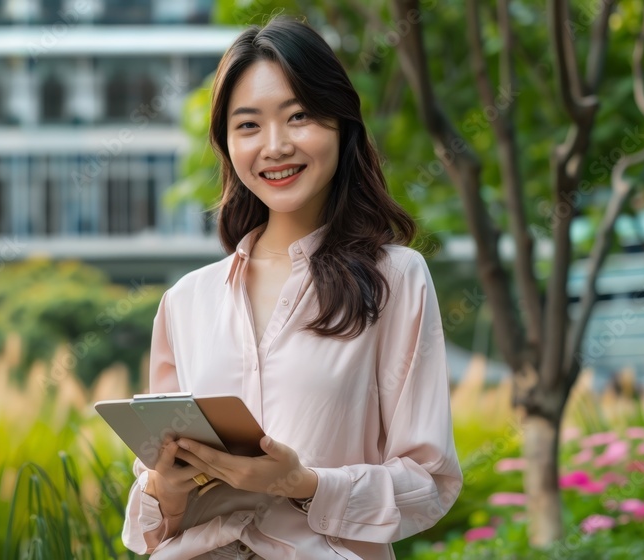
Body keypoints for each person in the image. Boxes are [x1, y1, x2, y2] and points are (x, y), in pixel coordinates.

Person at [121, 16, 462, 560]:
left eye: (299, 116)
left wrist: (302, 483)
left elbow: (429, 483)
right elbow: (152, 528)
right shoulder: (186, 301)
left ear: (341, 124)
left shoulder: (395, 278)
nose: (275, 146)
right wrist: (166, 486)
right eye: (248, 125)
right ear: (227, 144)